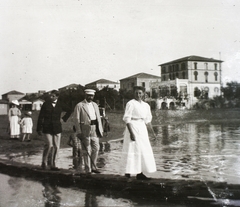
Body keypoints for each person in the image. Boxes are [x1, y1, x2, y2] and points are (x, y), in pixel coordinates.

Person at [121, 86, 157, 180]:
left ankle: (140, 173)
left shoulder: (146, 105)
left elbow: (148, 121)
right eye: (136, 93)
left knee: (142, 150)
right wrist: (131, 133)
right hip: (132, 126)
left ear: (143, 94)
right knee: (131, 149)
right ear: (134, 94)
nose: (138, 95)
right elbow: (127, 119)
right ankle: (128, 172)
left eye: (140, 93)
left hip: (142, 128)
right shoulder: (131, 103)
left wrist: (153, 133)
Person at [37, 90, 72, 171]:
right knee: (49, 145)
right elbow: (41, 116)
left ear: (57, 96)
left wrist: (63, 119)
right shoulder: (46, 104)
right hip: (47, 127)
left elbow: (70, 110)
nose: (51, 97)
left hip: (57, 127)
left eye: (53, 96)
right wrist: (39, 128)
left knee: (56, 146)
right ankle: (44, 162)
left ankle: (53, 164)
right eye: (50, 96)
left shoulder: (60, 103)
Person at [73, 89, 103, 174]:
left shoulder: (95, 105)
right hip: (85, 128)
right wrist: (79, 131)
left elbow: (98, 118)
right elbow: (76, 119)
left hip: (94, 128)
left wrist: (100, 129)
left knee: (96, 148)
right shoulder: (79, 105)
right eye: (88, 95)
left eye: (92, 96)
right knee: (86, 149)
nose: (90, 97)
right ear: (85, 95)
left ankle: (93, 166)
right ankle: (88, 168)